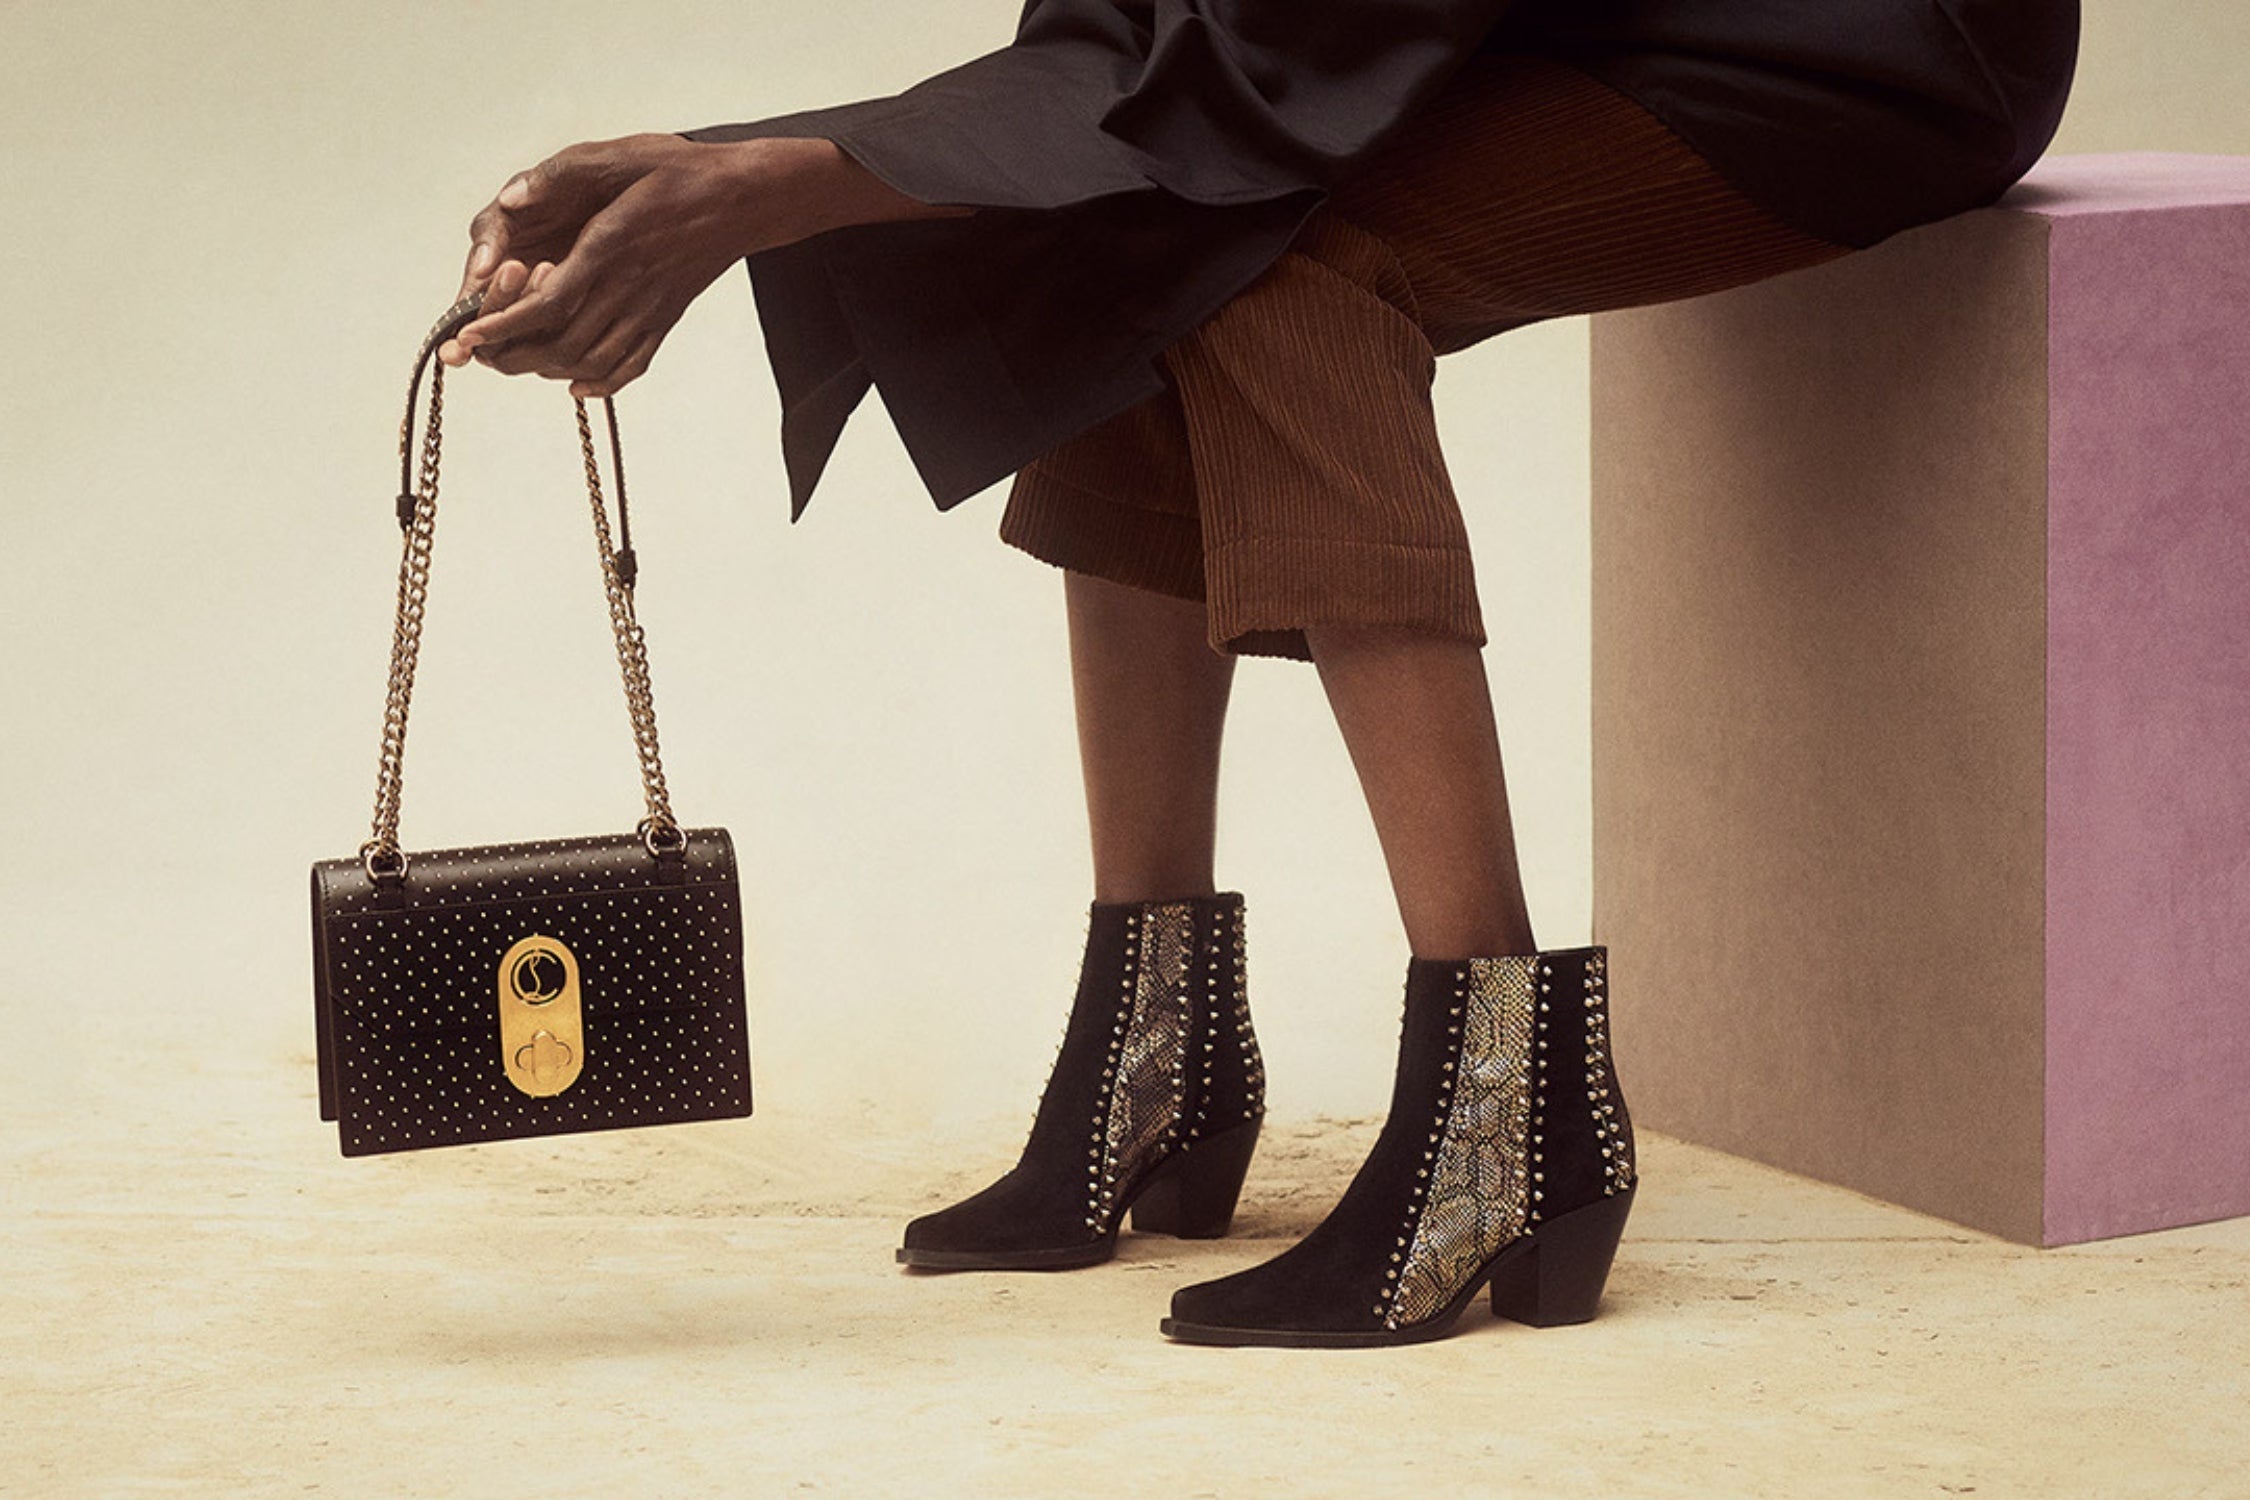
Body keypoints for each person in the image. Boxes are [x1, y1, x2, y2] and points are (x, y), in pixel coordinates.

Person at [438, 0, 2080, 1347]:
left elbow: (1284, 47)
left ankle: (1510, 1113)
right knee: (1128, 232)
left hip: (1850, 41)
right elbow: (1154, 34)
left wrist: (794, 181)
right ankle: (1157, 1053)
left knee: (1291, 272)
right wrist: (743, 165)